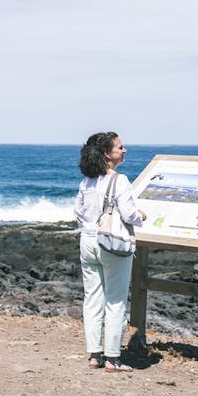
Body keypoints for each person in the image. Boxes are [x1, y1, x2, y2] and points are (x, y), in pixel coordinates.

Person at [75, 132, 146, 372]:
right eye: (120, 147)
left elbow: (78, 212)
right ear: (108, 154)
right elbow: (129, 214)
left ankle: (95, 355)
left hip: (87, 240)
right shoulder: (120, 180)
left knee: (92, 298)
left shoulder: (87, 181)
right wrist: (142, 216)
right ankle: (113, 358)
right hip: (111, 243)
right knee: (115, 300)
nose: (124, 150)